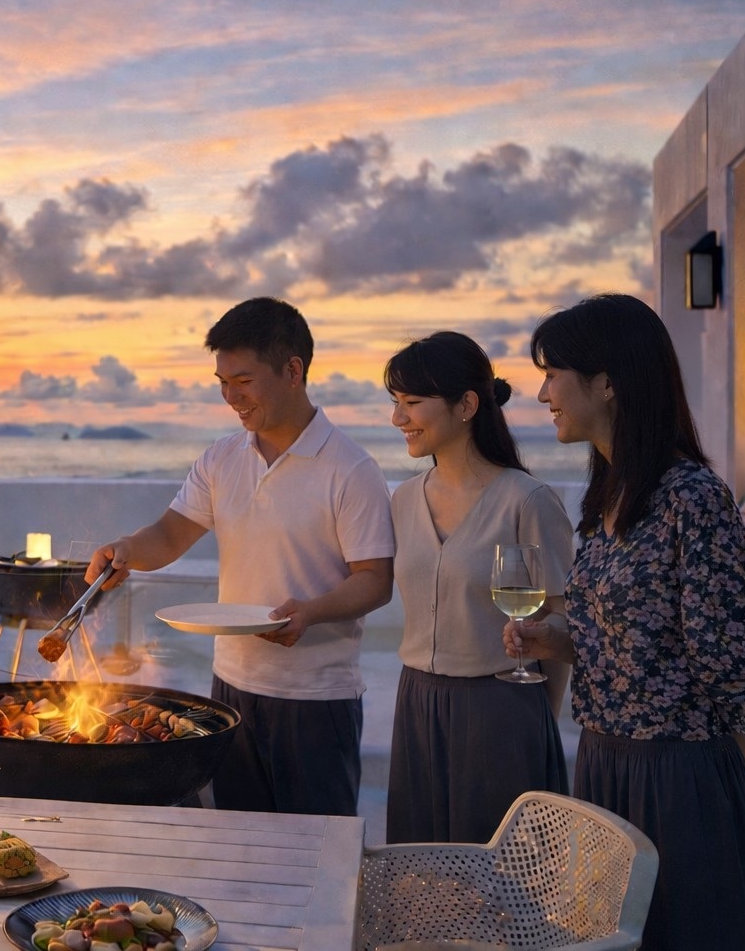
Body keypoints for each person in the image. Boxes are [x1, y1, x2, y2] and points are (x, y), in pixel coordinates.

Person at [505, 293, 745, 950]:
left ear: (606, 383)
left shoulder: (692, 497)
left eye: (553, 374)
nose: (542, 392)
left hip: (679, 775)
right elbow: (635, 643)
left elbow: (734, 653)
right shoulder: (608, 497)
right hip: (604, 763)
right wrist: (556, 639)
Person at [86, 296, 394, 816]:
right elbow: (171, 533)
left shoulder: (351, 468)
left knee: (314, 859)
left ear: (292, 370)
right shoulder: (222, 457)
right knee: (240, 850)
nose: (231, 397)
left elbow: (375, 581)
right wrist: (128, 550)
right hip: (229, 688)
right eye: (222, 382)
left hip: (316, 698)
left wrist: (311, 610)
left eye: (244, 381)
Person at [383, 331, 571, 844]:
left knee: (499, 883)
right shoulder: (401, 500)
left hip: (501, 712)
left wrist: (537, 726)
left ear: (466, 404)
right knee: (420, 871)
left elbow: (562, 622)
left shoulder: (527, 500)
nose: (398, 419)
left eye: (412, 403)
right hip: (417, 704)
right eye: (395, 403)